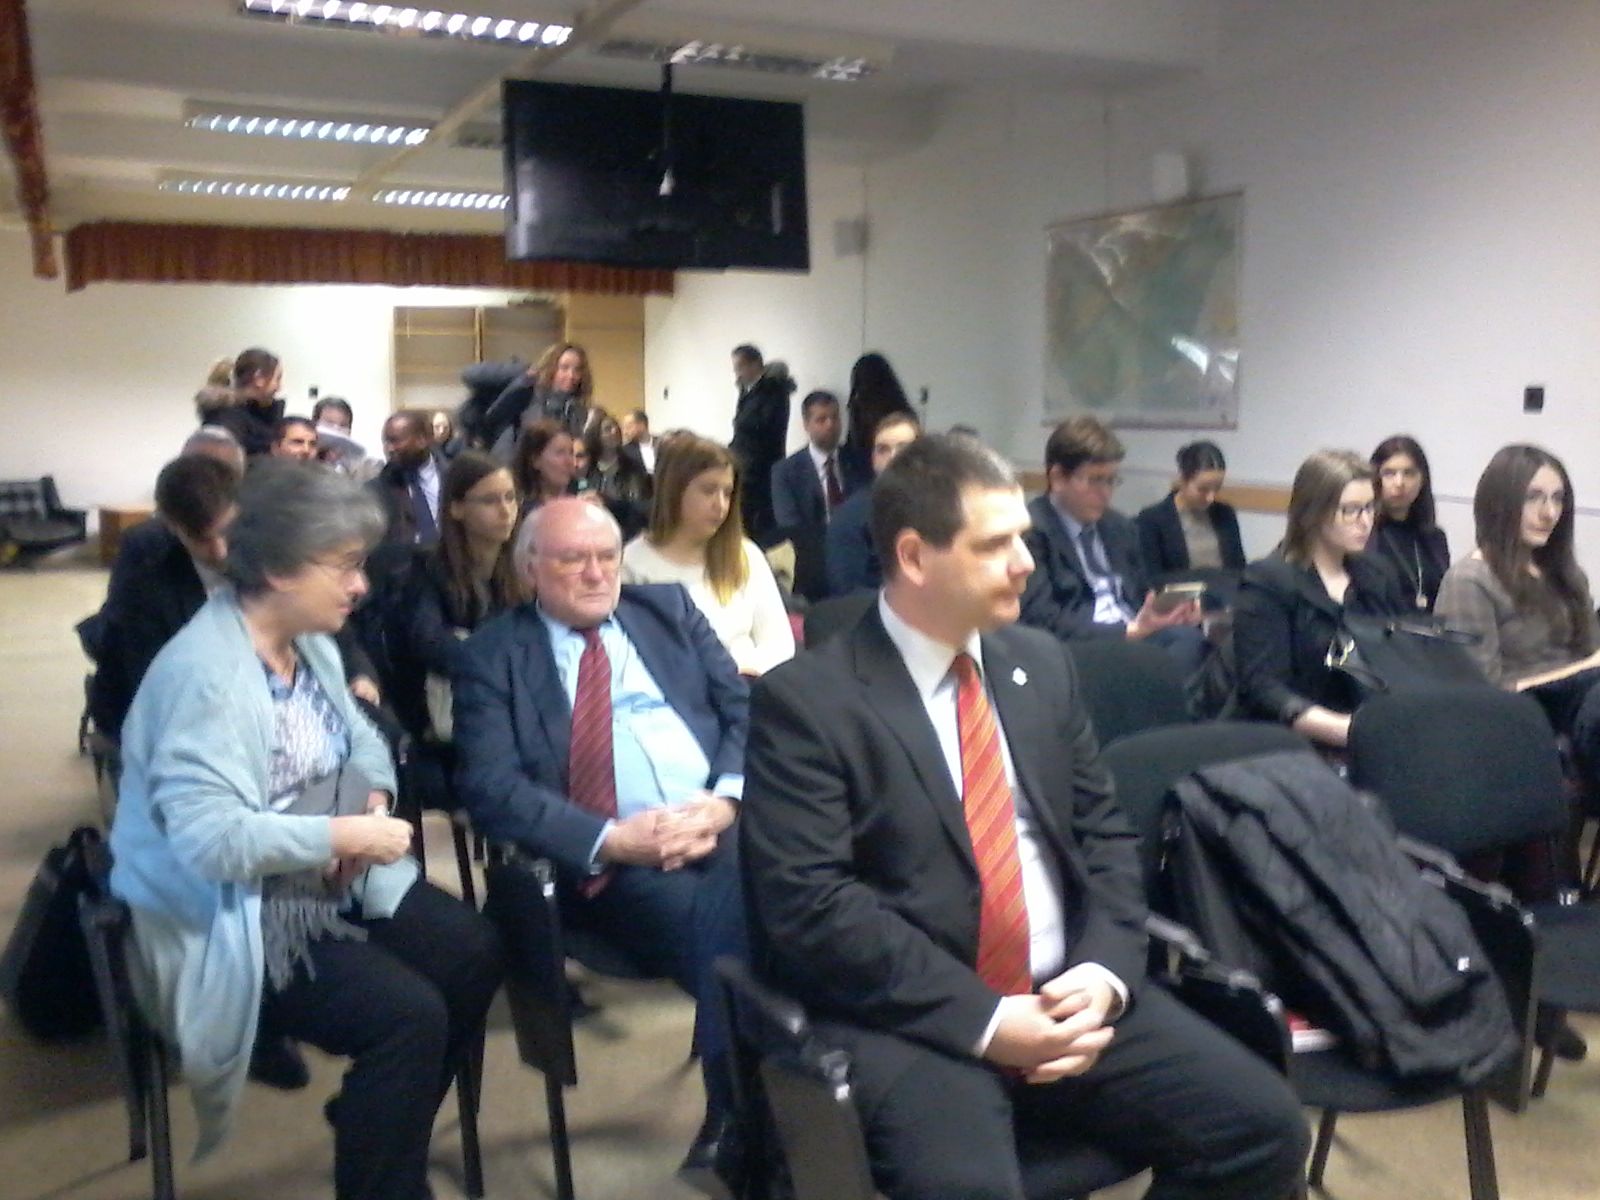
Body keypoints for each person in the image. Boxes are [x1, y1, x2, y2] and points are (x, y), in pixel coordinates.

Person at [741, 433, 1309, 1200]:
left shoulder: (1039, 665)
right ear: (914, 557)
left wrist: (1102, 974)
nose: (1025, 563)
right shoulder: (808, 701)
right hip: (913, 1017)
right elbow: (813, 909)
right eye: (995, 545)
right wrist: (987, 1020)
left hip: (1067, 988)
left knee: (1263, 1129)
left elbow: (1104, 836)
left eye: (1023, 539)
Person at [108, 461, 502, 1197]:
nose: (362, 586)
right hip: (233, 912)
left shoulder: (311, 643)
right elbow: (208, 842)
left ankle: (377, 1118)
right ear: (281, 570)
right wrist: (340, 838)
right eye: (345, 566)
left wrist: (370, 802)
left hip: (326, 874)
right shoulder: (207, 676)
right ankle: (385, 1173)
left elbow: (366, 742)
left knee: (474, 954)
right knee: (407, 1019)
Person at [451, 497, 750, 1193]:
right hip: (613, 863)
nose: (595, 573)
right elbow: (490, 786)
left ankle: (786, 1099)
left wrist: (726, 802)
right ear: (530, 569)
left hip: (721, 823)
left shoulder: (668, 612)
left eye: (607, 556)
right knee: (734, 933)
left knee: (811, 904)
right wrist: (611, 840)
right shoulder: (494, 654)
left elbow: (744, 710)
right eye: (572, 559)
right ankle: (740, 1115)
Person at [1432, 443, 1596, 1061]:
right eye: (1534, 497)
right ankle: (1528, 1004)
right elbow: (1478, 691)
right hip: (1502, 741)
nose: (1549, 511)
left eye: (1557, 498)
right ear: (1503, 502)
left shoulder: (1564, 576)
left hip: (1568, 734)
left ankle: (1547, 996)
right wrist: (1577, 673)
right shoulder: (1471, 579)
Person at [1232, 449, 1410, 748]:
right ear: (1313, 513)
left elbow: (1401, 660)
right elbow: (1265, 689)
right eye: (1351, 510)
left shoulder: (1377, 574)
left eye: (1370, 507)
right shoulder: (1269, 581)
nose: (1365, 521)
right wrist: (1349, 730)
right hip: (1292, 740)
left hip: (1369, 727)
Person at [1018, 416, 1205, 672]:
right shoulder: (1031, 532)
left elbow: (1140, 595)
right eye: (1095, 480)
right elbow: (1041, 619)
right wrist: (1128, 632)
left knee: (1196, 642)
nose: (1106, 492)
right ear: (1058, 477)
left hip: (1134, 635)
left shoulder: (1119, 527)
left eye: (1111, 480)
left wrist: (1169, 613)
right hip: (1080, 648)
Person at [87, 455, 240, 741]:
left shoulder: (270, 560)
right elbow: (153, 695)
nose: (219, 551)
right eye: (201, 539)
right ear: (170, 526)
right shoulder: (145, 591)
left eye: (226, 532)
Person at [622, 435, 794, 676]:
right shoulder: (633, 562)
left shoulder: (745, 554)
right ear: (675, 490)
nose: (721, 505)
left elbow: (779, 643)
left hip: (748, 684)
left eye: (727, 493)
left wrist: (744, 674)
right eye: (708, 490)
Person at [390, 452, 526, 742]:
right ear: (456, 508)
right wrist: (499, 658)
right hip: (448, 721)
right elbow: (430, 642)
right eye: (490, 501)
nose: (506, 511)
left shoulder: (523, 568)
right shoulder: (426, 568)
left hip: (511, 712)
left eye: (510, 497)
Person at [770, 389, 872, 602]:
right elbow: (790, 525)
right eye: (821, 419)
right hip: (811, 560)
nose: (830, 425)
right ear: (806, 425)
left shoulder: (859, 462)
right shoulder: (786, 471)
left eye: (835, 417)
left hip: (856, 553)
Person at [825, 410, 920, 596]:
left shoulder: (942, 507)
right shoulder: (850, 516)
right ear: (874, 459)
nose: (893, 457)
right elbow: (848, 592)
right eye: (883, 450)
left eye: (904, 448)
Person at [1134, 440, 1246, 597]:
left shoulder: (1225, 513)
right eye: (1203, 489)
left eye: (1217, 488)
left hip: (1223, 599)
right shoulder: (1152, 519)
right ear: (1183, 481)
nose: (1210, 497)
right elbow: (1153, 579)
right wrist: (1208, 577)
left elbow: (1238, 569)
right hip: (1179, 604)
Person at [1369, 434, 1451, 611]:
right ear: (1375, 478)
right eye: (1389, 473)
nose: (1399, 483)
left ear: (1423, 479)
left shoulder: (1434, 538)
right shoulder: (1365, 535)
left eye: (1409, 473)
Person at [480, 341, 594, 456]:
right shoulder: (529, 394)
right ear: (552, 368)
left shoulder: (577, 408)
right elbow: (495, 417)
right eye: (564, 368)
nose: (571, 376)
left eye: (577, 370)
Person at [728, 344, 791, 543]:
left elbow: (765, 427)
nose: (737, 373)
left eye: (739, 367)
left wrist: (741, 422)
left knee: (759, 523)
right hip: (745, 464)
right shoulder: (748, 391)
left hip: (761, 468)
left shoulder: (774, 391)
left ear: (754, 365)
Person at [372, 410, 444, 547]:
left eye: (395, 441)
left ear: (422, 440)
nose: (389, 449)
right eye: (386, 442)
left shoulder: (453, 476)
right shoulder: (378, 488)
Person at [585, 411, 652, 539]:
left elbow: (640, 504)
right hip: (595, 533)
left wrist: (609, 503)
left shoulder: (633, 465)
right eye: (607, 429)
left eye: (616, 427)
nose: (615, 431)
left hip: (628, 531)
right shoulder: (589, 468)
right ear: (596, 436)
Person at [842, 350, 915, 460]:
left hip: (861, 464)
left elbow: (852, 445)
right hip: (901, 465)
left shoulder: (858, 406)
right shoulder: (901, 408)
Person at [213, 347, 286, 457]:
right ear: (259, 378)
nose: (279, 388)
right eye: (277, 379)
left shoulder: (265, 417)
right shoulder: (228, 421)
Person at [513, 417, 577, 515]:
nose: (570, 461)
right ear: (535, 460)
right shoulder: (522, 514)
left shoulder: (580, 506)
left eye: (571, 453)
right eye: (560, 453)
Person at [621, 408, 658, 474]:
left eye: (628, 427)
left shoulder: (662, 443)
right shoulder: (625, 451)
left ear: (641, 425)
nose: (625, 432)